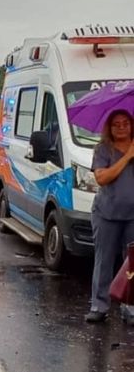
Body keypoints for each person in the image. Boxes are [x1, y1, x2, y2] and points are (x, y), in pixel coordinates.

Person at [85, 110, 134, 323]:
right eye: (116, 124)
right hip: (107, 213)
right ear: (109, 128)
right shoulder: (103, 150)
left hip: (132, 215)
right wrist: (128, 156)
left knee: (131, 264)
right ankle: (99, 305)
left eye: (125, 123)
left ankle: (130, 306)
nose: (121, 127)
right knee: (104, 260)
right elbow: (102, 177)